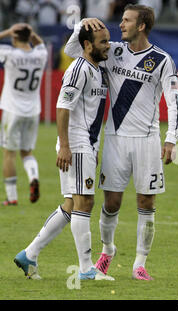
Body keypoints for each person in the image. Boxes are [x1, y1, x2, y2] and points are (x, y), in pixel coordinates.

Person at [64, 4, 178, 281]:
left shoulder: (163, 60)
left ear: (141, 26)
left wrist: (171, 138)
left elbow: (173, 100)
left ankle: (140, 263)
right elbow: (73, 51)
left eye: (127, 20)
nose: (121, 25)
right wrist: (82, 24)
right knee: (112, 202)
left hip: (148, 141)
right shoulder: (112, 51)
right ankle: (107, 250)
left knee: (146, 201)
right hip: (116, 139)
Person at [14, 23, 114, 281]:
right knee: (85, 202)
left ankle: (29, 254)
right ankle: (85, 269)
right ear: (88, 45)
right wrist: (66, 145)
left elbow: (76, 43)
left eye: (108, 40)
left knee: (71, 205)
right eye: (103, 41)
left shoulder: (96, 67)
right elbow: (62, 107)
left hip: (86, 143)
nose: (108, 45)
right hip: (77, 143)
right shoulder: (78, 69)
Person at [0, 24, 47, 206]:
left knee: (9, 153)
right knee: (26, 151)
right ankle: (33, 177)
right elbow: (39, 42)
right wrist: (30, 32)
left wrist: (7, 31)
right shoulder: (41, 54)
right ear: (29, 37)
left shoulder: (10, 53)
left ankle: (12, 198)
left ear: (14, 37)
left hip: (13, 109)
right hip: (33, 110)